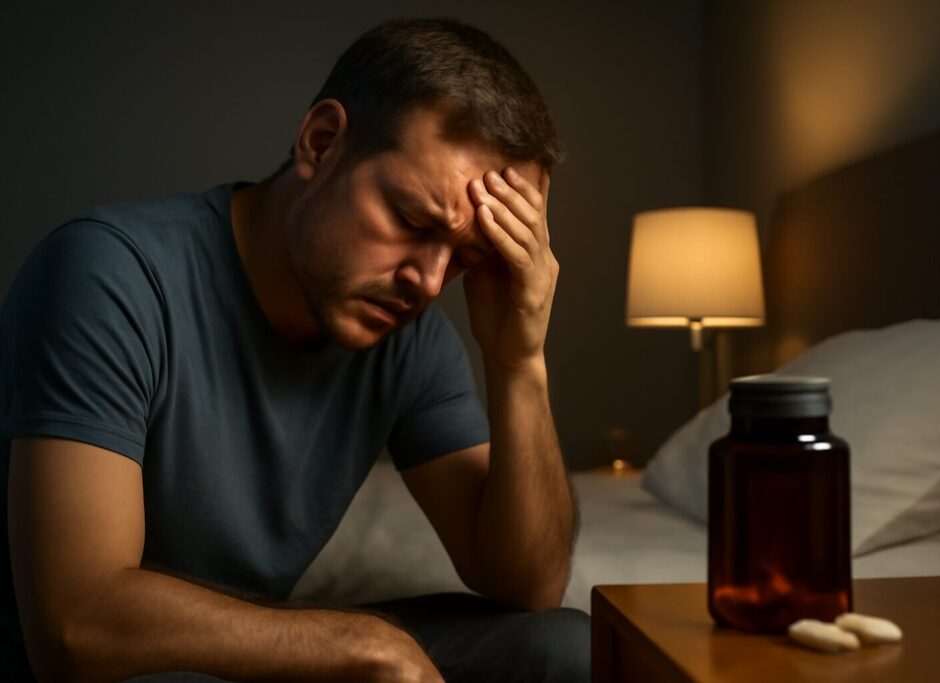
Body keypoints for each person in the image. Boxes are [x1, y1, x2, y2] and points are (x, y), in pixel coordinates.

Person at [0, 18, 588, 682]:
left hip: (247, 645)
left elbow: (527, 585)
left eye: (465, 257)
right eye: (411, 221)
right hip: (105, 664)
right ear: (322, 142)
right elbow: (76, 624)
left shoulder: (408, 335)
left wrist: (518, 361)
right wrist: (358, 643)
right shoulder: (109, 273)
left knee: (566, 648)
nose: (428, 282)